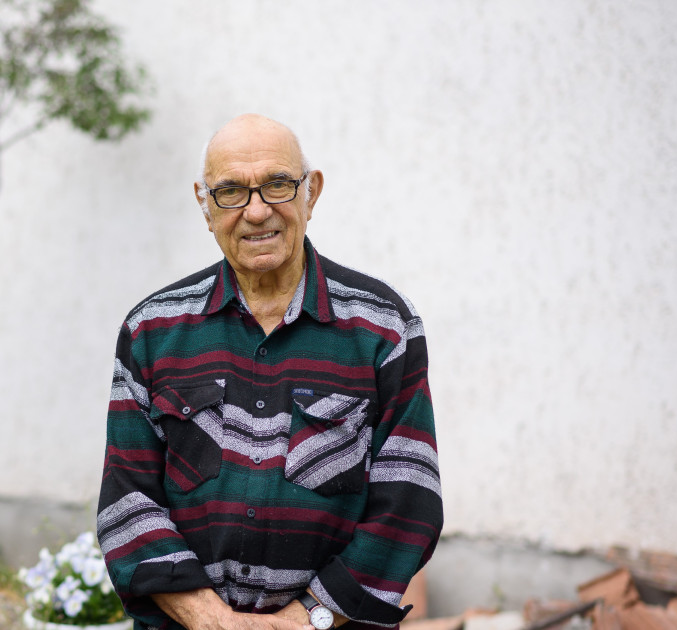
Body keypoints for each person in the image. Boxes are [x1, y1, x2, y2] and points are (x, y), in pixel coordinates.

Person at [96, 114, 443, 630]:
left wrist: (306, 621)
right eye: (231, 191)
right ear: (205, 205)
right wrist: (214, 622)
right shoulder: (152, 330)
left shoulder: (383, 327)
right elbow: (127, 500)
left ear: (311, 193)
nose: (256, 211)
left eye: (277, 184)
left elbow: (409, 502)